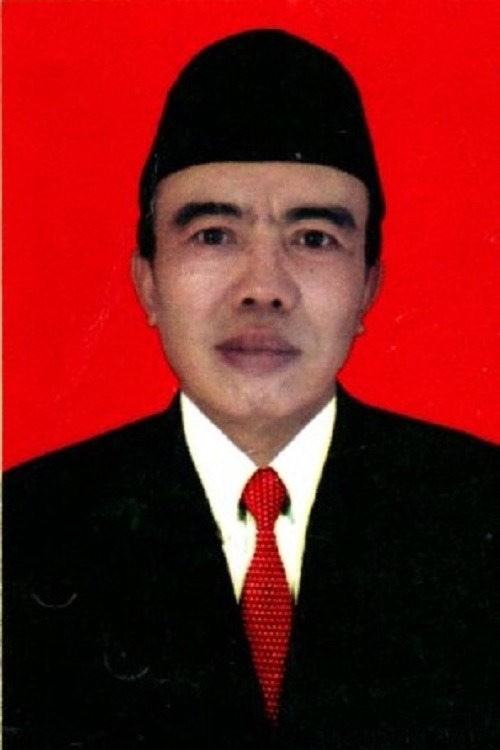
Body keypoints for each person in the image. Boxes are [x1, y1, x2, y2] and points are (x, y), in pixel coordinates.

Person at [3, 29, 498, 750]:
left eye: (314, 238)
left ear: (368, 287)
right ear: (148, 282)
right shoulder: (21, 531)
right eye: (213, 235)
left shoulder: (482, 513)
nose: (263, 288)